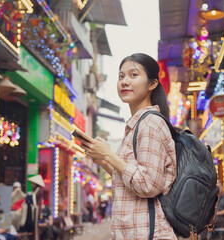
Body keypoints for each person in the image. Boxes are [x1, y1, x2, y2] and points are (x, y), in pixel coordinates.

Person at [74, 53, 177, 239]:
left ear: (152, 84)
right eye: (121, 76)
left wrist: (110, 155)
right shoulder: (136, 126)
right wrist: (104, 160)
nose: (124, 81)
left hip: (149, 234)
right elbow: (132, 181)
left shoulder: (150, 123)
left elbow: (149, 184)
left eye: (133, 75)